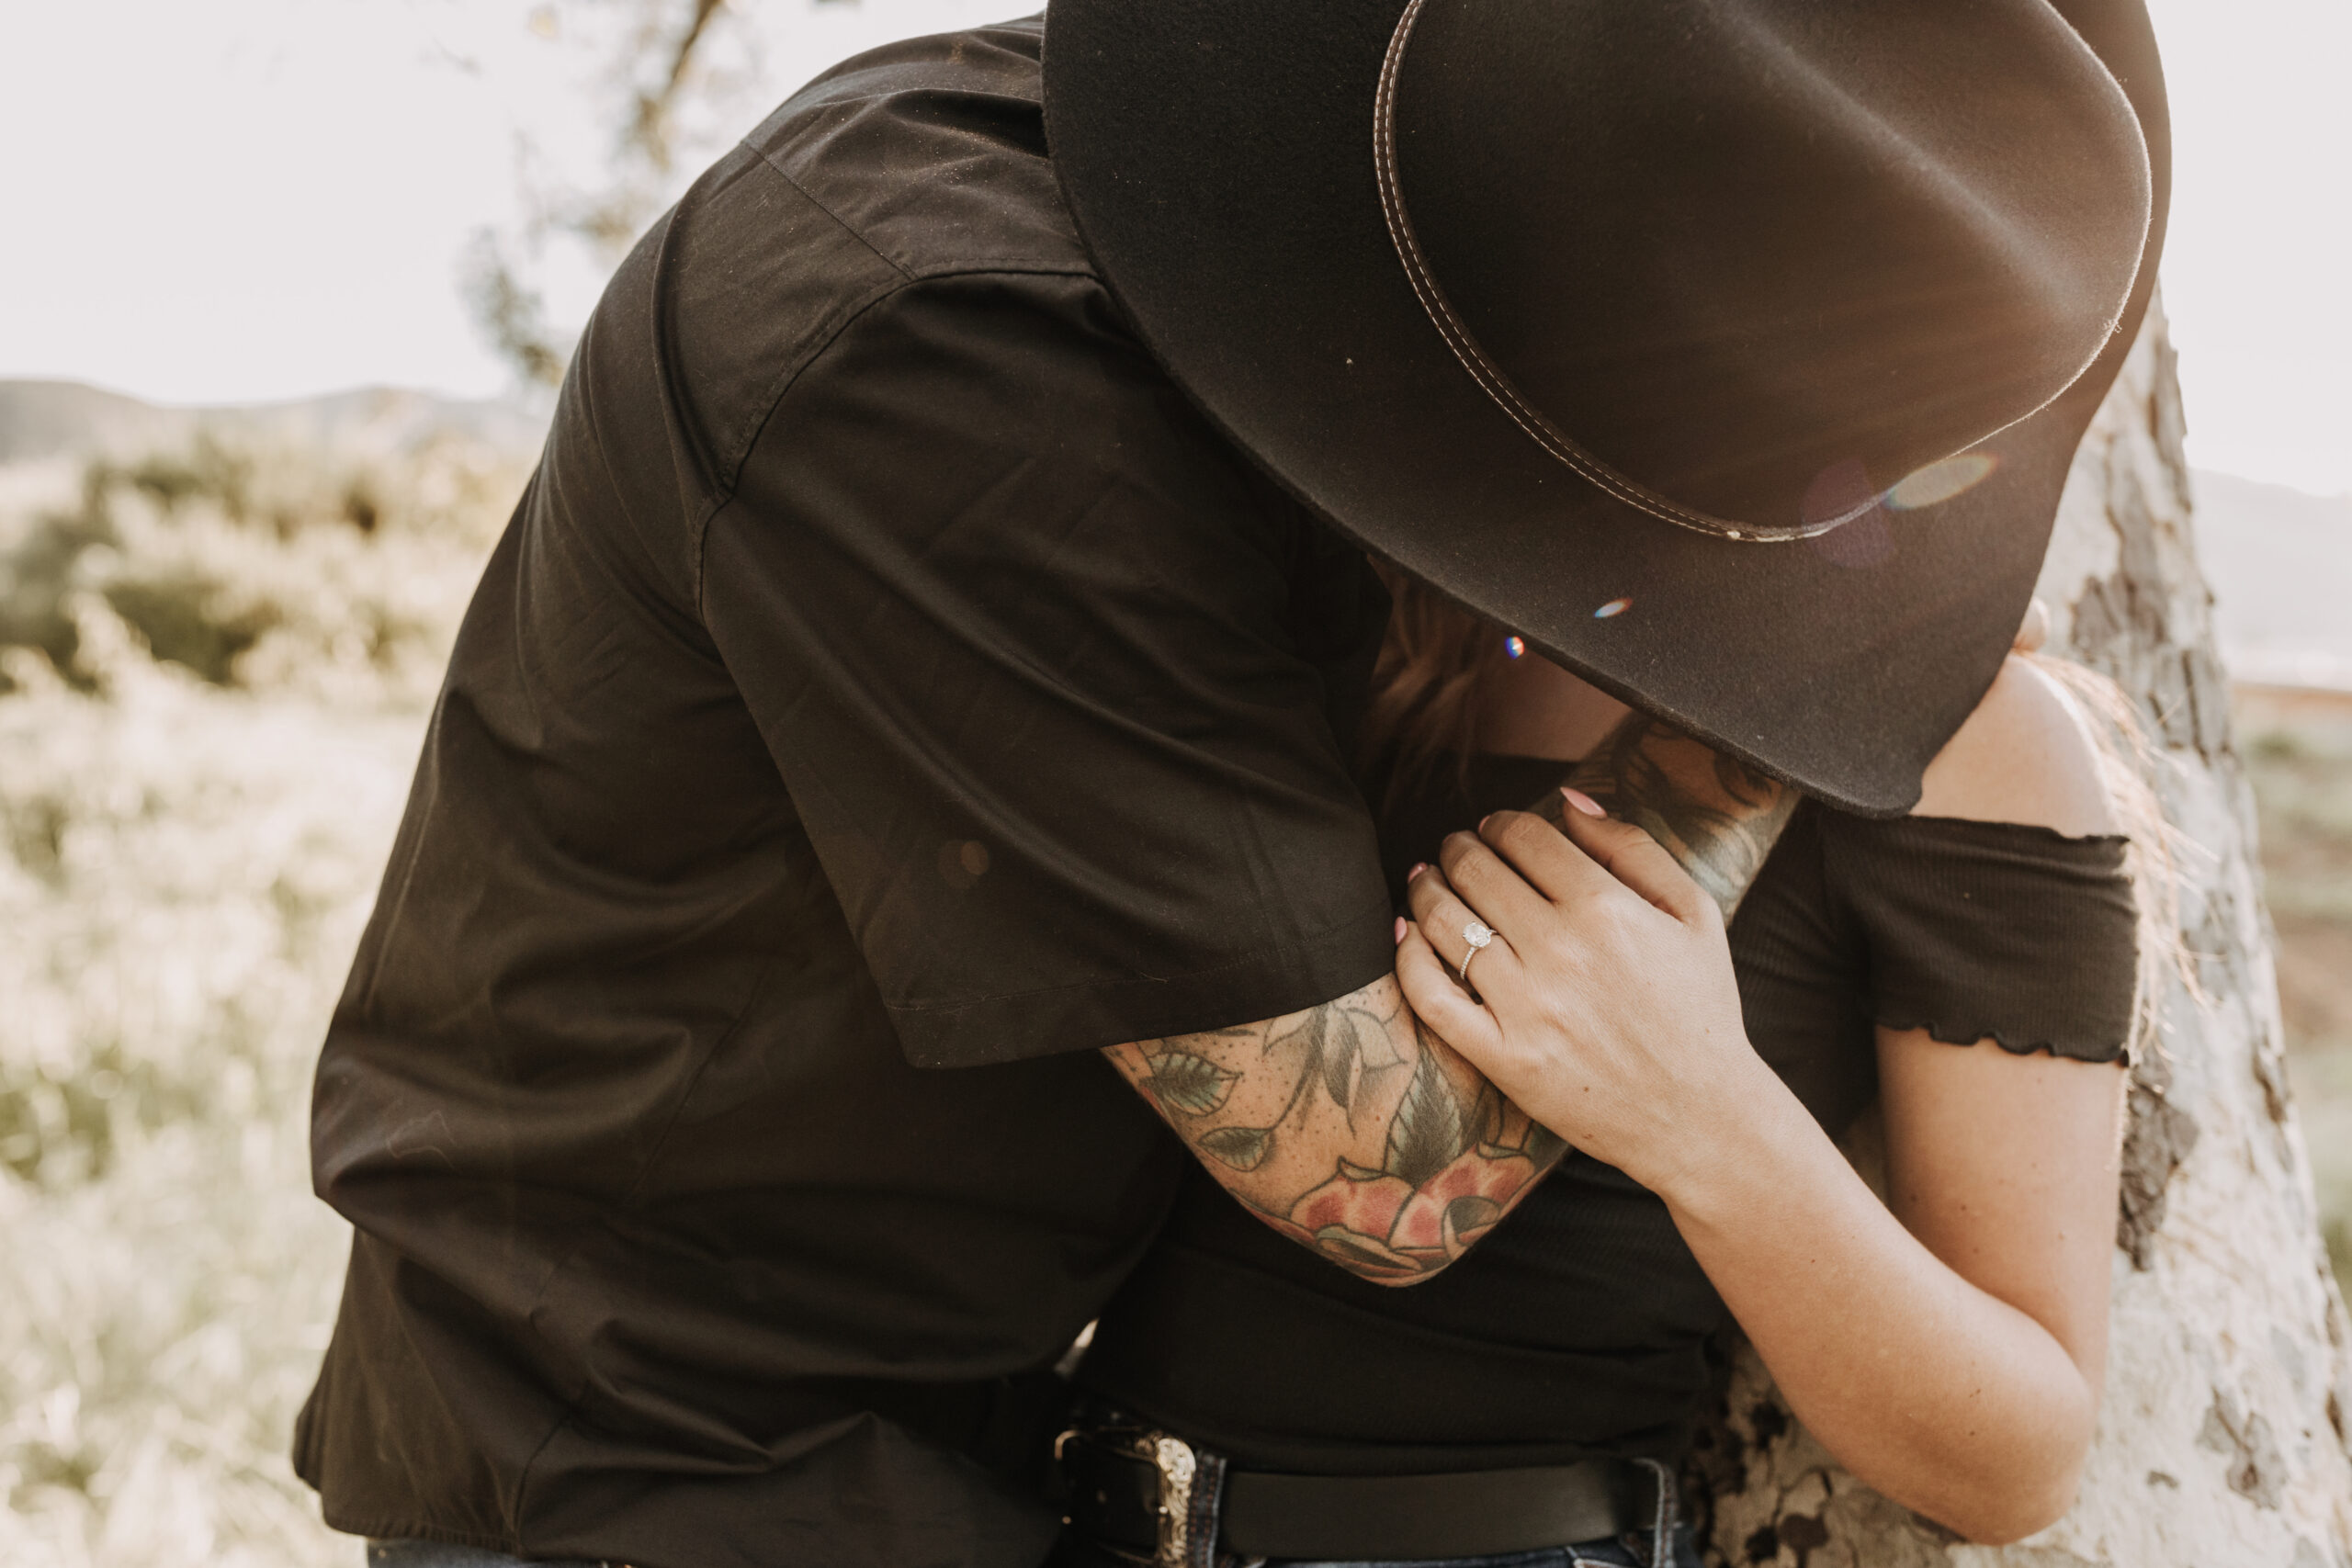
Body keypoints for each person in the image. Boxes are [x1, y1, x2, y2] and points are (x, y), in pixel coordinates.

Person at [294, 3, 2164, 1566]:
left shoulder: (1336, 396)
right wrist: (1789, 688)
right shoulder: (963, 356)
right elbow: (1379, 1168)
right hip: (661, 1460)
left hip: (965, 1467)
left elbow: (2015, 1418)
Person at [1055, 578, 2160, 1568]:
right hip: (1043, 1508)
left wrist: (1699, 1113)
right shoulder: (1366, 626)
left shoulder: (1968, 736)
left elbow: (2020, 1465)